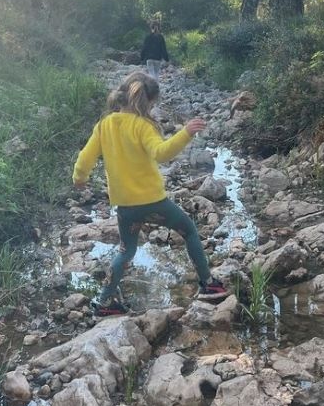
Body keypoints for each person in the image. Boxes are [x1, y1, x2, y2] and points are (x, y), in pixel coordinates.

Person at [72, 71, 229, 316]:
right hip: (153, 202)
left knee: (126, 251)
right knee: (189, 231)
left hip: (125, 206)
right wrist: (186, 132)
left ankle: (104, 303)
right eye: (153, 105)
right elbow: (162, 153)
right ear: (147, 102)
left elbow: (85, 158)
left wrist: (79, 179)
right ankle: (208, 284)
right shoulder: (142, 125)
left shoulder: (104, 125)